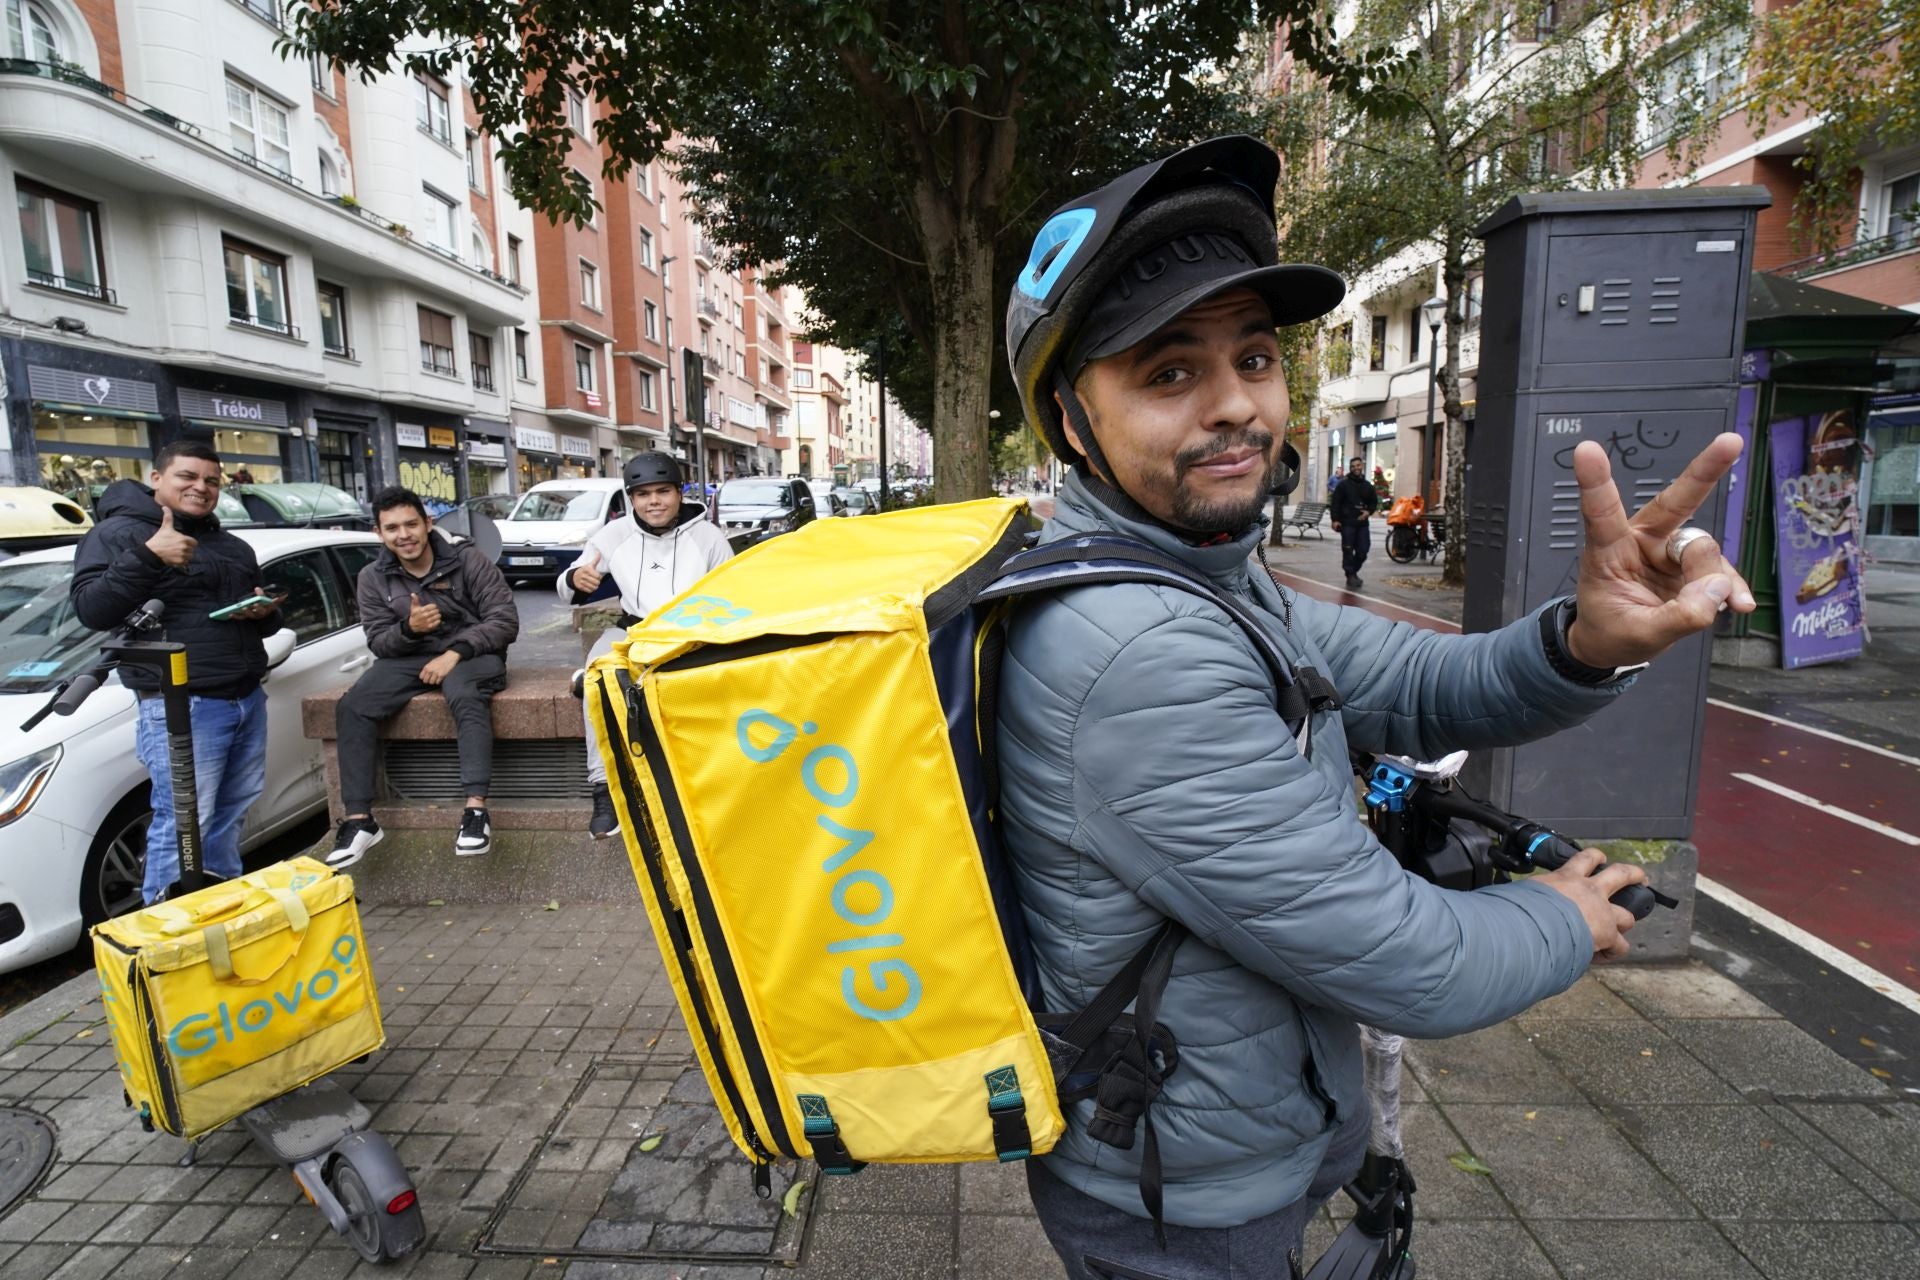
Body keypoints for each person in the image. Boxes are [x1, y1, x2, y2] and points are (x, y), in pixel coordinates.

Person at [998, 135, 1756, 1279]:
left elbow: (1413, 682)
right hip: (1183, 1188)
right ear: (1069, 420)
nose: (1237, 406)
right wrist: (1564, 917)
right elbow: (1406, 958)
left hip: (1229, 1122)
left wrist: (1585, 638)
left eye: (1253, 357)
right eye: (1167, 372)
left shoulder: (1204, 574)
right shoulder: (1135, 650)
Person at [70, 440, 284, 903]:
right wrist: (150, 556)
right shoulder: (119, 535)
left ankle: (221, 911)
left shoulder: (230, 544)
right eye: (187, 476)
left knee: (230, 813)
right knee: (185, 821)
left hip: (245, 696)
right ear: (156, 479)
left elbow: (260, 616)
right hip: (181, 705)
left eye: (211, 480)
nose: (200, 487)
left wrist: (262, 614)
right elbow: (92, 610)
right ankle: (168, 937)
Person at [327, 487, 519, 866]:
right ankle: (360, 820)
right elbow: (380, 643)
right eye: (392, 527)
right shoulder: (373, 577)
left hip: (474, 653)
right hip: (410, 656)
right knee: (353, 706)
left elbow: (504, 620)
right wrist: (410, 629)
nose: (404, 535)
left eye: (411, 524)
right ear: (379, 533)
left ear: (428, 524)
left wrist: (455, 652)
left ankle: (475, 811)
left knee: (463, 691)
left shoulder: (469, 561)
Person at [559, 452, 732, 837]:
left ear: (679, 493)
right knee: (597, 680)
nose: (654, 501)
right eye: (643, 494)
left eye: (663, 491)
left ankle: (711, 790)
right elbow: (568, 580)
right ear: (631, 498)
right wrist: (575, 579)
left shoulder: (709, 537)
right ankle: (603, 787)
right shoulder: (614, 535)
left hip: (691, 634)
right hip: (633, 631)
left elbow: (732, 596)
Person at [1330, 456, 1379, 590]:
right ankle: (1350, 575)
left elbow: (1373, 502)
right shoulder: (1343, 485)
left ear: (1361, 466)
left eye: (1358, 465)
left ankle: (1352, 571)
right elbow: (1335, 503)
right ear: (1350, 469)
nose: (1356, 468)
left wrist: (1368, 512)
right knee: (1347, 549)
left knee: (1363, 550)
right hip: (1347, 523)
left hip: (1362, 524)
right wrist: (1335, 520)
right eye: (1353, 466)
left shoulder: (1367, 486)